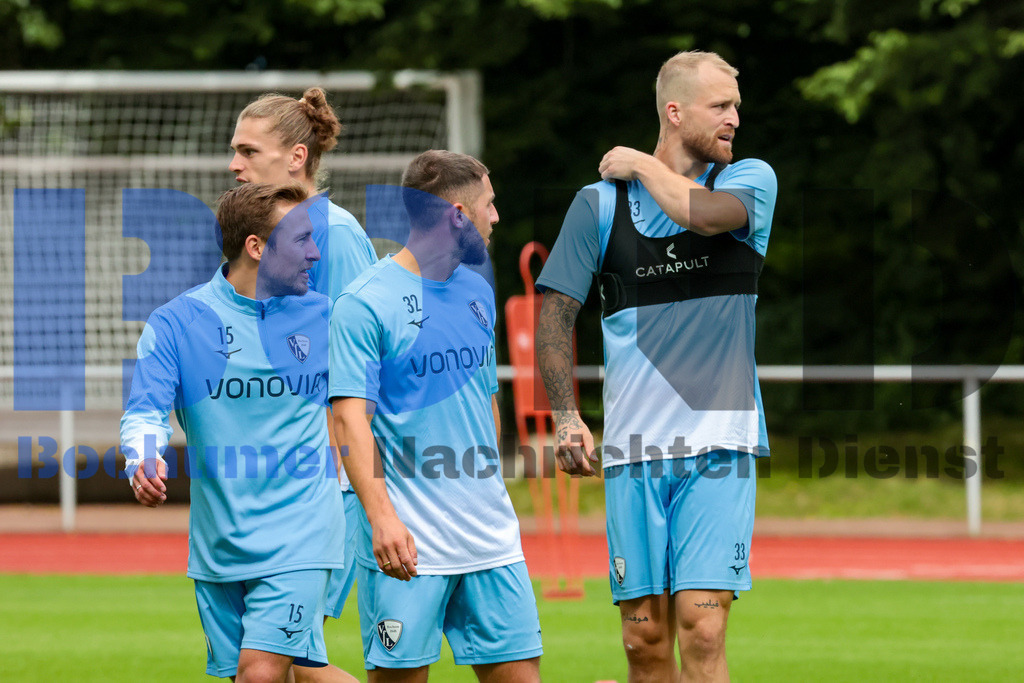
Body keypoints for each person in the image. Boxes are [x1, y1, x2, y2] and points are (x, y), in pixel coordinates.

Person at [536, 50, 778, 682]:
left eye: (736, 107)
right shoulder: (597, 205)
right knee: (644, 642)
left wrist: (641, 162)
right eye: (719, 107)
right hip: (633, 454)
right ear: (675, 112)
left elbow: (699, 215)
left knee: (703, 627)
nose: (733, 119)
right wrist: (567, 416)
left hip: (719, 447)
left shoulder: (749, 180)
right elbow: (556, 314)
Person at [122, 182, 357, 683]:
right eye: (301, 240)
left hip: (304, 533)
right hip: (219, 545)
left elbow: (376, 400)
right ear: (256, 248)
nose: (315, 253)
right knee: (283, 675)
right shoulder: (176, 324)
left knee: (260, 673)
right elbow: (145, 412)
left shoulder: (328, 316)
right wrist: (143, 458)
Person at [329, 150, 543, 682]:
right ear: (456, 214)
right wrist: (381, 519)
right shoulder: (363, 304)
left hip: (490, 540)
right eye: (488, 205)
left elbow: (485, 401)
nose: (496, 217)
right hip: (408, 543)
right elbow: (348, 423)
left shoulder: (477, 289)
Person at [230, 87, 377, 682]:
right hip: (284, 476)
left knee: (274, 660)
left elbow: (360, 360)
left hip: (324, 480)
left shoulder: (331, 234)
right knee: (285, 659)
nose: (233, 164)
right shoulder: (266, 235)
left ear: (296, 157)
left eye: (247, 150)